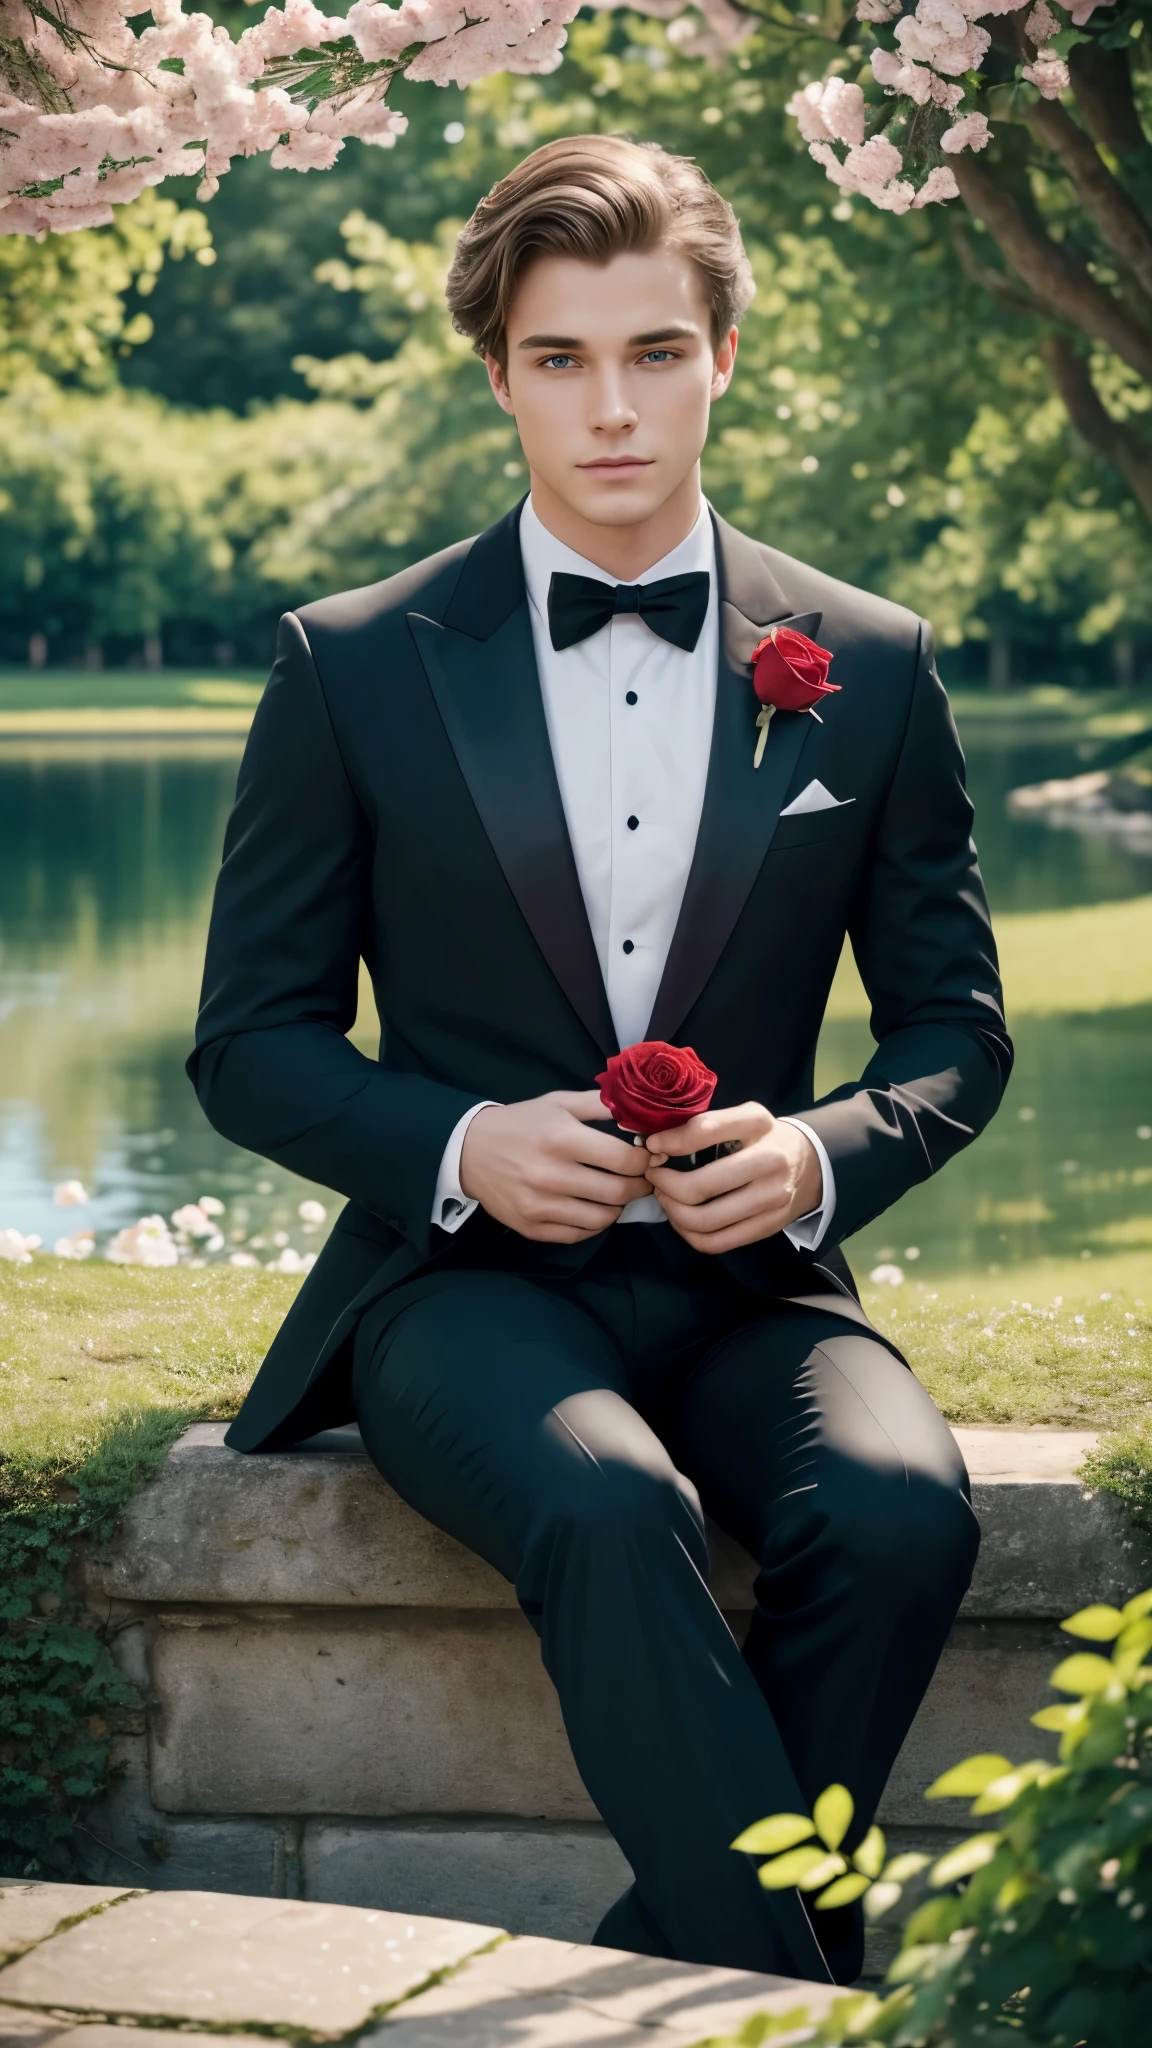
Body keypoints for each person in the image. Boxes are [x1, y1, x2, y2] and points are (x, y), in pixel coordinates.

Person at [188, 135, 1011, 1988]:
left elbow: (957, 1035)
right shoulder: (355, 663)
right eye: (562, 359)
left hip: (756, 1290)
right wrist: (465, 1141)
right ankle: (804, 2004)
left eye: (654, 351)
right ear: (500, 375)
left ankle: (703, 1961)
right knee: (609, 1500)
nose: (613, 406)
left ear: (726, 352)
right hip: (464, 1295)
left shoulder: (868, 665)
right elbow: (249, 1046)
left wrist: (814, 1159)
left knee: (895, 1514)